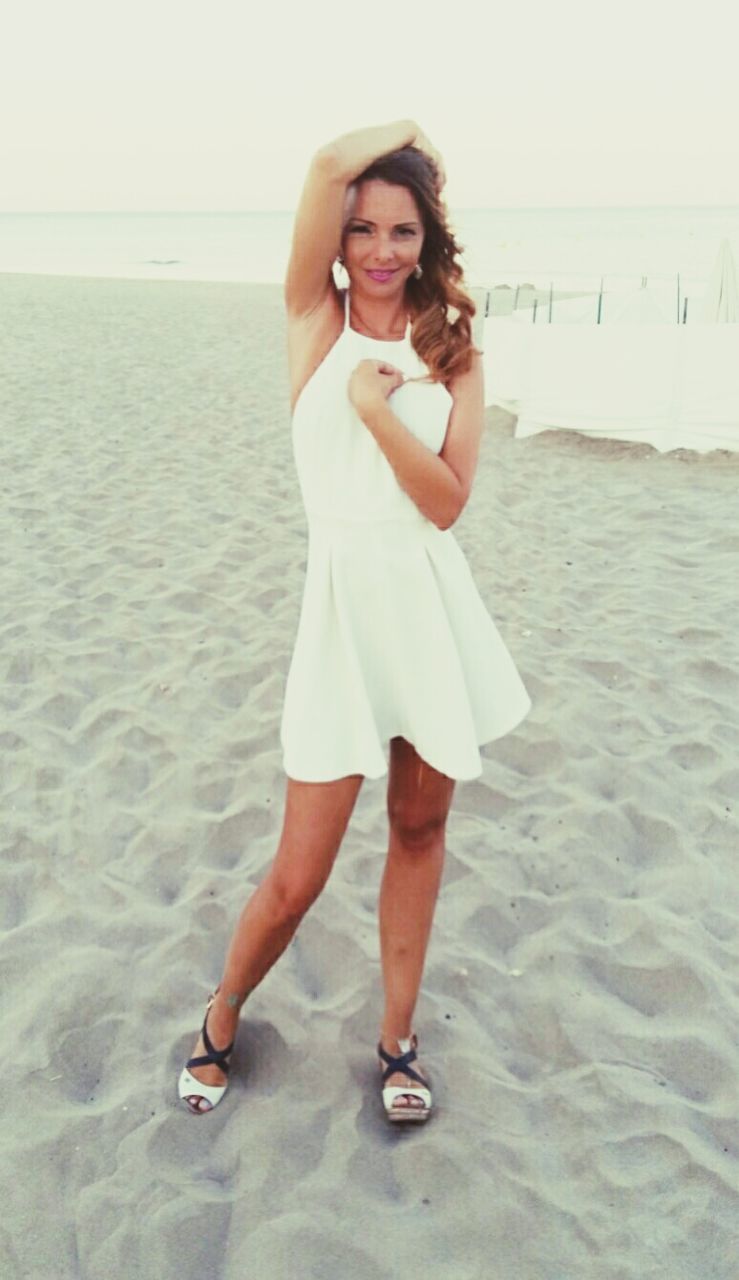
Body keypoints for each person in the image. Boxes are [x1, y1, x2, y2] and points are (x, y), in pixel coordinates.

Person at [178, 120, 531, 1122]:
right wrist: (408, 134)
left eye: (404, 230)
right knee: (299, 868)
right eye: (364, 229)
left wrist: (378, 415)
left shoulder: (452, 350)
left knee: (419, 828)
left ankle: (397, 1040)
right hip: (339, 613)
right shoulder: (313, 321)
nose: (382, 249)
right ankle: (219, 1014)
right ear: (335, 241)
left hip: (426, 606)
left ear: (429, 239)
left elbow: (447, 503)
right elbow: (325, 164)